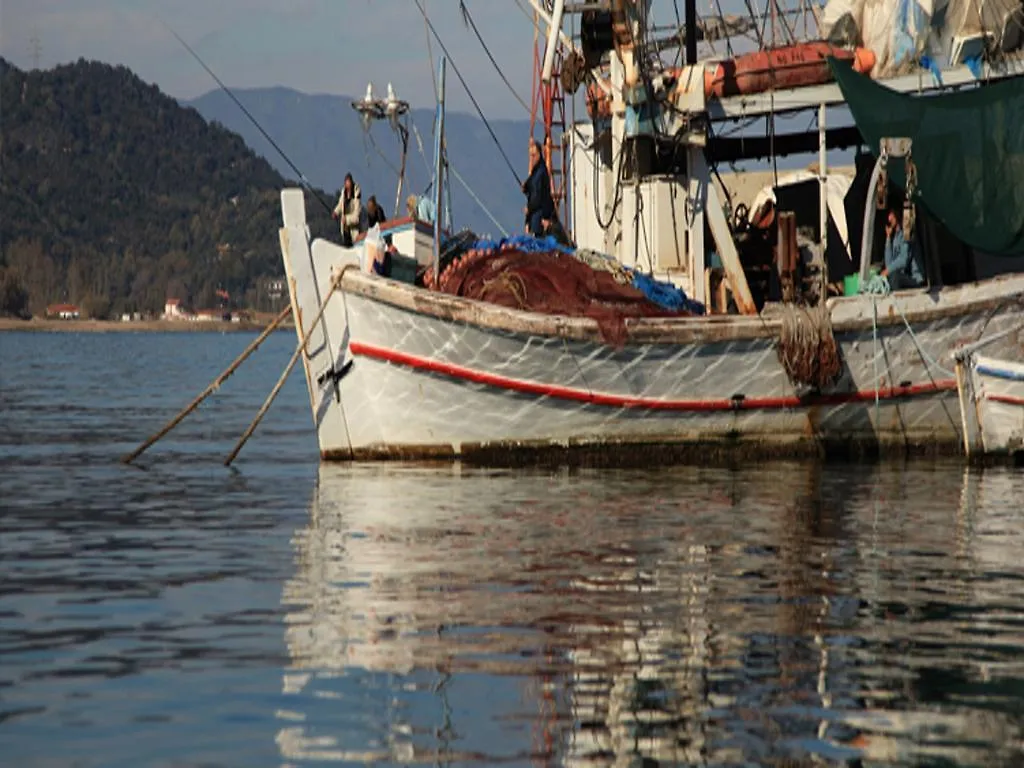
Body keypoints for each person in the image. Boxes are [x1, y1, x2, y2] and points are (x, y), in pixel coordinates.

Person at [882, 207, 925, 290]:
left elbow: (903, 260)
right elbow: (889, 264)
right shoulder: (896, 237)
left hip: (915, 279)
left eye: (891, 214)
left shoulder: (907, 234)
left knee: (895, 277)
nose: (889, 218)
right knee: (890, 278)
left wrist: (888, 270)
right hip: (903, 277)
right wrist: (888, 238)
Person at [522, 138, 555, 237]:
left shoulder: (540, 172)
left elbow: (537, 196)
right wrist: (526, 187)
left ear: (539, 154)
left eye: (533, 155)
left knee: (538, 242)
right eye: (530, 156)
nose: (531, 159)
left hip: (539, 216)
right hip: (536, 216)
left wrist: (529, 208)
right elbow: (531, 186)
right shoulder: (536, 171)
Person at [332, 173, 365, 247]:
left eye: (349, 184)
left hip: (354, 231)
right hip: (345, 229)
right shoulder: (344, 193)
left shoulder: (357, 197)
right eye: (346, 184)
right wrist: (336, 212)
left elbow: (357, 217)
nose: (348, 187)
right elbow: (340, 204)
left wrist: (346, 219)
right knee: (346, 245)